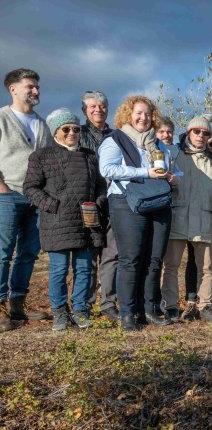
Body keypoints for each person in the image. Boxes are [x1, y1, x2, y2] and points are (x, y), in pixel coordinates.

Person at [98, 95, 178, 331]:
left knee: (154, 260)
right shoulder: (116, 139)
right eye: (139, 113)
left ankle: (149, 309)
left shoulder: (158, 143)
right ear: (128, 115)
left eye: (148, 114)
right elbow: (107, 169)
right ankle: (127, 313)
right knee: (130, 259)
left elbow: (173, 170)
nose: (143, 118)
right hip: (126, 202)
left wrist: (173, 177)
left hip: (160, 201)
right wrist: (146, 172)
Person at [23, 108, 107, 331]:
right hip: (57, 223)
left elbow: (101, 185)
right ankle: (59, 311)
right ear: (55, 132)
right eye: (66, 129)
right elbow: (30, 188)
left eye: (76, 128)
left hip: (86, 223)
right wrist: (53, 206)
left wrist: (97, 204)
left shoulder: (89, 155)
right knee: (59, 270)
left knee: (84, 269)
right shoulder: (41, 156)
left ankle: (80, 310)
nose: (72, 132)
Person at [0, 68, 53, 331]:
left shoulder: (41, 123)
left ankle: (17, 305)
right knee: (2, 252)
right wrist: (2, 188)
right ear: (13, 88)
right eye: (30, 86)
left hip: (36, 198)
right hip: (7, 193)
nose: (36, 91)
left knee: (29, 252)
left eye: (37, 87)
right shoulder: (1, 118)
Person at [160, 115, 212, 323]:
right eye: (197, 131)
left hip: (204, 220)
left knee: (207, 267)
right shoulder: (174, 154)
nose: (201, 136)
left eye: (206, 133)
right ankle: (170, 306)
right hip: (178, 218)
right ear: (188, 132)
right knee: (171, 266)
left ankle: (206, 305)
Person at [78, 91, 119, 321]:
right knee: (87, 256)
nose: (98, 110)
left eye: (102, 106)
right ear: (84, 110)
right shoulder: (78, 134)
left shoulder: (116, 136)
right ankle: (84, 303)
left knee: (111, 255)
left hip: (113, 201)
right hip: (87, 202)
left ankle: (108, 303)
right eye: (92, 106)